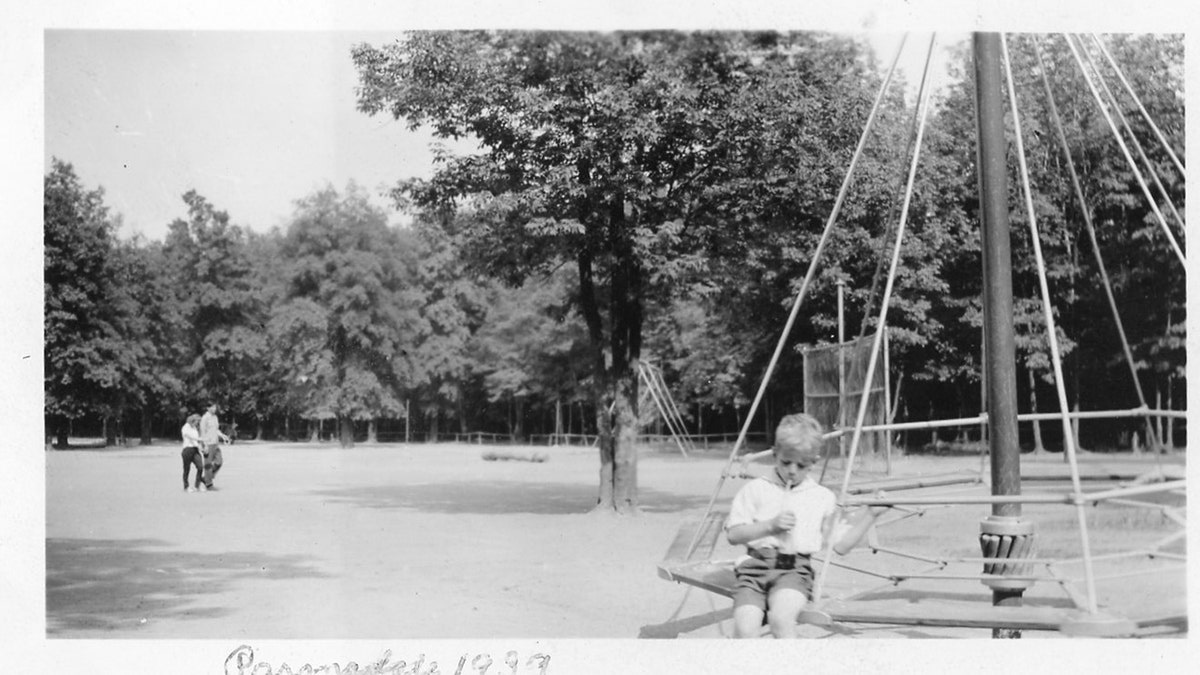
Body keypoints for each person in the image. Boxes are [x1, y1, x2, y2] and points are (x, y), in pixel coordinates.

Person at [725, 413, 885, 638]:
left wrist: (871, 514)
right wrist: (770, 526)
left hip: (794, 571)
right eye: (785, 462)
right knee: (745, 629)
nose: (792, 470)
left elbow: (840, 546)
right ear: (774, 454)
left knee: (780, 619)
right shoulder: (756, 489)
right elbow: (733, 534)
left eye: (801, 465)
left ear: (813, 462)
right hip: (754, 569)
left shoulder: (821, 497)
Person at [199, 403, 232, 490]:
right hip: (208, 444)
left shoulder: (215, 417)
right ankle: (209, 484)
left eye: (215, 407)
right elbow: (202, 432)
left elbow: (215, 429)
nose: (214, 408)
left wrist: (222, 435)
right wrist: (204, 445)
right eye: (212, 407)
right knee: (208, 465)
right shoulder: (204, 418)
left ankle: (206, 478)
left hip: (215, 443)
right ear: (208, 408)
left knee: (219, 462)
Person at [180, 414, 205, 492]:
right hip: (187, 449)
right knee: (187, 469)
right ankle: (186, 487)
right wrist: (198, 438)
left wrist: (200, 448)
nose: (198, 423)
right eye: (197, 421)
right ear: (192, 420)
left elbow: (195, 441)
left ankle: (197, 485)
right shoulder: (186, 427)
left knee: (200, 466)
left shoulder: (194, 428)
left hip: (195, 450)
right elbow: (188, 436)